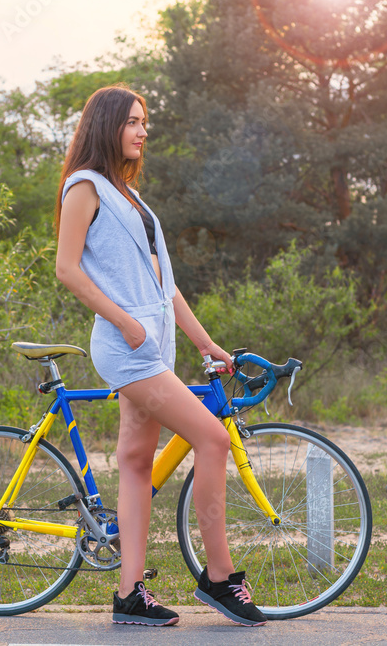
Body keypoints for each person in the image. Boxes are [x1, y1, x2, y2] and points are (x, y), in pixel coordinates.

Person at [54, 84, 267, 628]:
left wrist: (204, 342)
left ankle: (129, 594)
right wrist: (124, 321)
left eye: (145, 121)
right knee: (213, 437)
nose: (143, 131)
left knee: (134, 462)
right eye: (132, 122)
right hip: (126, 347)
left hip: (154, 343)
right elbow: (67, 269)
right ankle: (220, 579)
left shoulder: (131, 196)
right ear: (106, 125)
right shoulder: (85, 187)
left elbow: (164, 286)